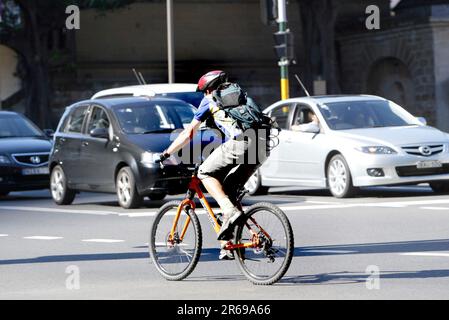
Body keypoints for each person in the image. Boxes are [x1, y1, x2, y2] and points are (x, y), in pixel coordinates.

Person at [158, 70, 269, 260]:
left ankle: (229, 212)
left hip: (241, 143)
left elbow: (188, 134)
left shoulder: (210, 100)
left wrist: (167, 152)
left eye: (203, 91)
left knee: (205, 173)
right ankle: (229, 244)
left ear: (208, 89)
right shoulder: (240, 96)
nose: (204, 94)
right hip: (262, 145)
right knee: (228, 190)